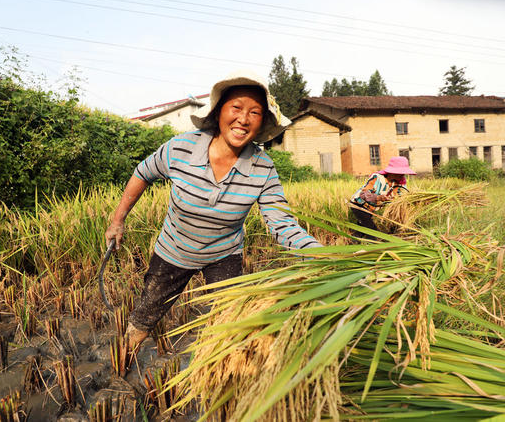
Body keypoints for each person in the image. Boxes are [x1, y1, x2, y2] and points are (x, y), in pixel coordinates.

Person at [104, 70, 322, 351]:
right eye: (236, 108)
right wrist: (118, 220)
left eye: (254, 113)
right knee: (143, 320)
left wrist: (320, 255)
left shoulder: (263, 168)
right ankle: (125, 360)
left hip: (223, 255)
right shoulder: (181, 148)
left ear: (261, 123)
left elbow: (282, 223)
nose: (243, 119)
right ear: (219, 112)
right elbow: (143, 173)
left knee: (231, 327)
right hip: (174, 249)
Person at [349, 156, 416, 240]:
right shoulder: (377, 178)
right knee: (372, 232)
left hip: (371, 209)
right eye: (401, 173)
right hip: (358, 206)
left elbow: (402, 197)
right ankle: (373, 248)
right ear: (393, 172)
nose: (403, 175)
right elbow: (364, 194)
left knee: (362, 229)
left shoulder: (400, 183)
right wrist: (378, 198)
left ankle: (352, 242)